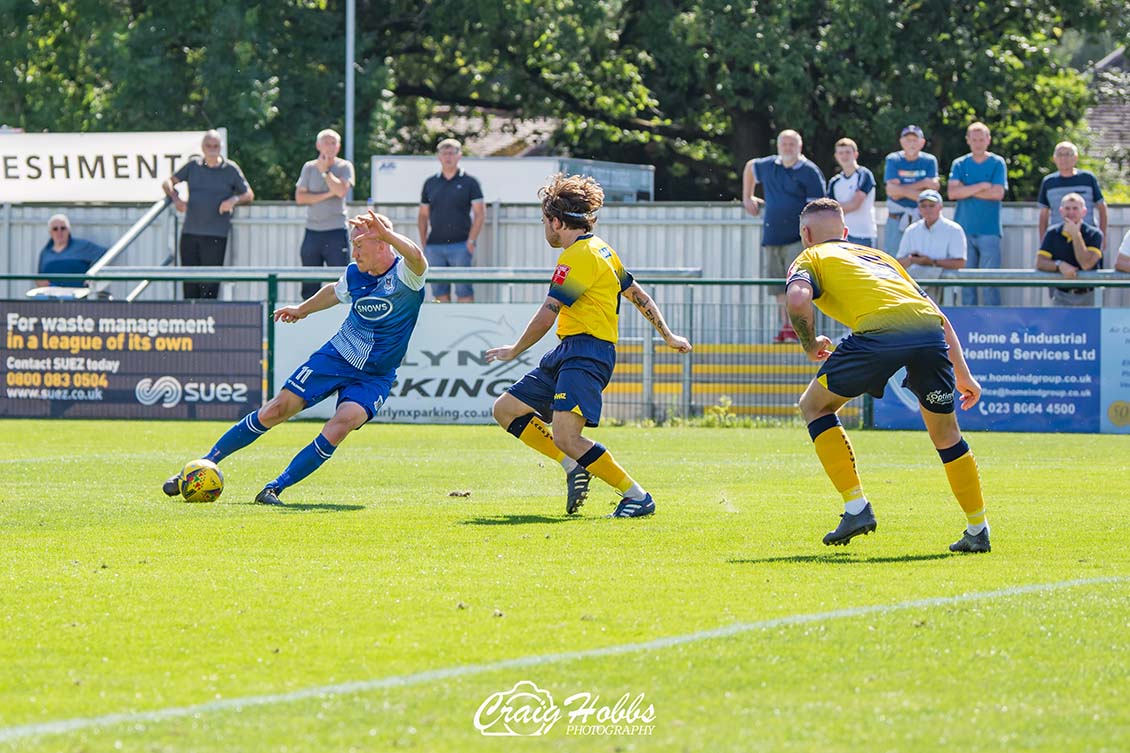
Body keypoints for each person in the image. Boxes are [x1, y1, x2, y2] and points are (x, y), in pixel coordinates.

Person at [161, 210, 427, 506]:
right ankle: (199, 467)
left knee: (344, 422)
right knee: (277, 409)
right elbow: (334, 292)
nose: (354, 252)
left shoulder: (406, 276)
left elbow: (418, 258)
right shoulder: (355, 274)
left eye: (359, 245)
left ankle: (274, 489)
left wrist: (389, 233)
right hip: (338, 356)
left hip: (375, 375)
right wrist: (303, 309)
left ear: (381, 245)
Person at [785, 198, 990, 553]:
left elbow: (798, 299)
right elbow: (937, 315)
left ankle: (856, 508)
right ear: (846, 233)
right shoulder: (883, 258)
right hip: (928, 332)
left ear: (806, 234)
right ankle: (978, 528)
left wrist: (809, 343)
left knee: (814, 406)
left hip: (878, 335)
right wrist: (964, 375)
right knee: (946, 434)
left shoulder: (810, 257)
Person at [485, 174, 692, 518]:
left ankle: (637, 496)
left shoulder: (577, 256)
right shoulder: (604, 249)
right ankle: (573, 465)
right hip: (569, 351)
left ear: (556, 221)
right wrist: (667, 335)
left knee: (568, 435)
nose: (545, 229)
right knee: (506, 409)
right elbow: (637, 294)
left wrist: (514, 350)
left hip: (587, 353)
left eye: (544, 222)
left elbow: (547, 313)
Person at [741, 129, 827, 342]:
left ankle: (802, 331)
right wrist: (747, 197)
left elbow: (817, 208)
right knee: (778, 287)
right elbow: (751, 166)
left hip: (798, 238)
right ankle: (786, 327)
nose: (788, 148)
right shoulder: (770, 165)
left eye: (792, 144)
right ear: (778, 146)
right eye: (784, 144)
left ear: (800, 147)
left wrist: (812, 237)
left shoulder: (809, 171)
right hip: (772, 236)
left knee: (797, 286)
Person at [162, 130, 254, 300]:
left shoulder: (230, 169)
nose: (212, 149)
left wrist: (233, 200)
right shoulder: (193, 166)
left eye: (216, 146)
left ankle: (210, 320)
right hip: (190, 233)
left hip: (215, 235)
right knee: (189, 282)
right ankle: (190, 321)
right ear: (202, 148)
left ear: (221, 147)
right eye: (208, 145)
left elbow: (248, 194)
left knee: (210, 284)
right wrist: (176, 198)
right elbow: (168, 182)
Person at [947, 122, 1008, 306]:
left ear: (988, 140)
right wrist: (982, 186)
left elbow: (998, 194)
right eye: (974, 139)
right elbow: (952, 193)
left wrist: (966, 189)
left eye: (981, 139)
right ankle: (968, 323)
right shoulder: (959, 163)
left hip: (990, 231)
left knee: (990, 282)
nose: (978, 143)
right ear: (968, 141)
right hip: (963, 230)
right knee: (967, 283)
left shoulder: (997, 163)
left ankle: (992, 326)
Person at [417, 138, 484, 302]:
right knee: (439, 292)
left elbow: (480, 213)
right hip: (434, 247)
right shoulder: (430, 183)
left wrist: (471, 241)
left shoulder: (470, 182)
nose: (448, 157)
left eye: (452, 153)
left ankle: (466, 326)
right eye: (444, 153)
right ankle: (444, 327)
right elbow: (423, 215)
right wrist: (424, 243)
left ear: (459, 156)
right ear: (438, 157)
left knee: (464, 291)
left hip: (461, 246)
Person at [295, 128, 356, 300]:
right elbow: (300, 198)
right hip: (312, 232)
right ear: (317, 145)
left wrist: (325, 172)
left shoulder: (344, 166)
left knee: (341, 280)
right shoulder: (308, 167)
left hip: (336, 231)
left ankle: (341, 316)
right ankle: (307, 315)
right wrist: (329, 194)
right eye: (325, 142)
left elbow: (341, 191)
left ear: (339, 146)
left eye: (333, 143)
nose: (329, 147)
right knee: (309, 281)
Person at [895, 189, 967, 301]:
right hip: (916, 292)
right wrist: (913, 260)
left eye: (932, 205)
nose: (928, 209)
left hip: (944, 289)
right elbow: (899, 263)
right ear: (919, 209)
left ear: (940, 207)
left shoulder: (954, 230)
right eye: (923, 206)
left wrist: (931, 262)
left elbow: (960, 263)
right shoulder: (911, 230)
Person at [1035, 193, 1103, 307]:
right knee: (1059, 326)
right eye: (1067, 208)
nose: (1071, 212)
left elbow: (1086, 264)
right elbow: (1040, 262)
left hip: (1089, 296)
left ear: (1084, 212)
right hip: (1061, 295)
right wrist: (1059, 265)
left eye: (1075, 208)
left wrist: (1075, 235)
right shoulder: (1052, 233)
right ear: (1061, 211)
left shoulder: (1094, 234)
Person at [1036, 141, 1107, 248]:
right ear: (1054, 158)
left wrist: (1102, 236)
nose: (1063, 158)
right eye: (1059, 154)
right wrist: (1043, 240)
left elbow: (1102, 207)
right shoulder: (1048, 182)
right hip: (1058, 239)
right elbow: (1043, 214)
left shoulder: (1088, 178)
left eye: (1068, 154)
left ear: (1076, 157)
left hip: (1087, 238)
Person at [883, 125, 940, 256]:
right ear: (901, 142)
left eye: (915, 140)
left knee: (922, 258)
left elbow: (934, 189)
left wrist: (901, 190)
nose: (911, 144)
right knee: (892, 258)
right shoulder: (893, 159)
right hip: (897, 219)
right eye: (908, 140)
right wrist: (923, 184)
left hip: (922, 218)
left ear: (922, 142)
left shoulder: (929, 160)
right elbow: (891, 191)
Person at [827, 138, 877, 247]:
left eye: (848, 152)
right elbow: (830, 210)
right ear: (836, 156)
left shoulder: (864, 174)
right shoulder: (834, 182)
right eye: (841, 153)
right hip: (841, 236)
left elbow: (855, 204)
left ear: (855, 154)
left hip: (863, 235)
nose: (844, 156)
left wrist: (838, 209)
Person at [35, 214, 106, 288]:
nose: (59, 232)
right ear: (50, 232)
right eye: (55, 229)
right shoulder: (45, 253)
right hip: (53, 297)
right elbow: (40, 278)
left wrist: (92, 274)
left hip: (78, 297)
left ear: (68, 230)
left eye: (63, 228)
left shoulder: (82, 246)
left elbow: (107, 255)